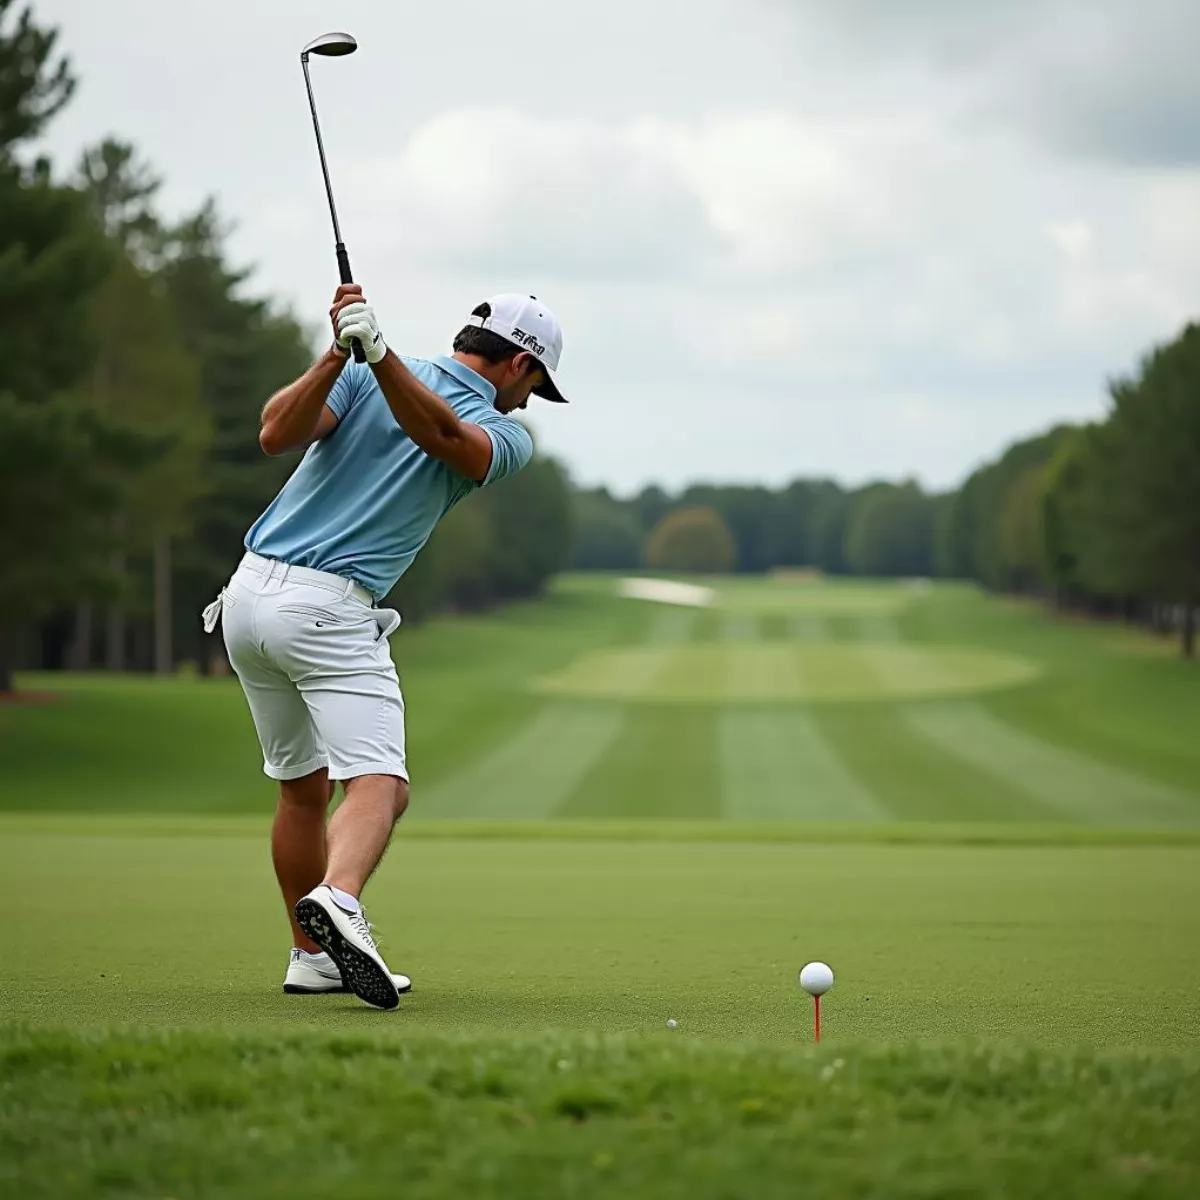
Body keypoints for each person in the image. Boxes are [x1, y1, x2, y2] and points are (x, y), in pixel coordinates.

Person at [201, 285, 568, 1009]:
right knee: (381, 785)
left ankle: (311, 957)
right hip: (324, 610)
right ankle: (338, 899)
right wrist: (336, 354)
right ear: (519, 366)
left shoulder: (451, 410)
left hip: (246, 602)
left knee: (302, 789)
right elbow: (278, 431)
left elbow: (444, 440)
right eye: (536, 386)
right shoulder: (380, 375)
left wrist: (371, 356)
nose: (528, 406)